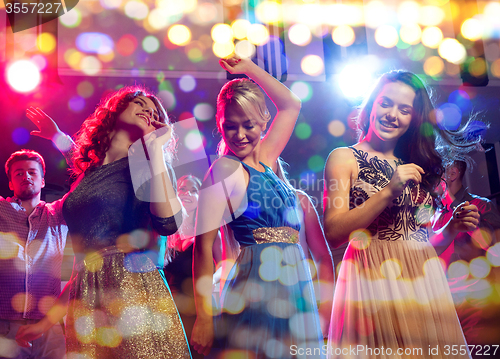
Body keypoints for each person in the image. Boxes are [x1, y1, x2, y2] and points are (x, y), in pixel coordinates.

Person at [15, 86, 191, 358]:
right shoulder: (88, 176)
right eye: (140, 103)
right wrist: (45, 323)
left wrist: (154, 148)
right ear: (116, 109)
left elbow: (168, 223)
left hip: (132, 290)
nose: (148, 111)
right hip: (86, 297)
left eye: (155, 112)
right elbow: (84, 264)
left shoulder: (148, 164)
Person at [323, 70, 481, 359]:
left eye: (404, 109)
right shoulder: (343, 158)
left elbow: (423, 242)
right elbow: (333, 234)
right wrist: (388, 191)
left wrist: (451, 228)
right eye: (385, 103)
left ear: (414, 119)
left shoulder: (417, 164)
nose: (392, 114)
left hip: (423, 281)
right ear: (371, 105)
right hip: (372, 278)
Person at [190, 56, 325, 359]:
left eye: (248, 125)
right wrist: (204, 315)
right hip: (257, 282)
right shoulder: (223, 170)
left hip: (294, 279)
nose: (239, 135)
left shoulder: (266, 158)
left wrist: (249, 68)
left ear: (264, 121)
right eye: (230, 126)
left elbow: (291, 104)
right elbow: (203, 249)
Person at [0, 150, 68, 359]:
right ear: (10, 183)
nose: (26, 176)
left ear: (43, 181)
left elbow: (89, 173)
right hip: (5, 327)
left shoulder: (59, 212)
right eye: (18, 173)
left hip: (49, 327)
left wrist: (58, 138)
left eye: (32, 172)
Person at [433, 160, 500, 343]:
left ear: (452, 174)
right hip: (445, 308)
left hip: (477, 308)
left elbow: (493, 247)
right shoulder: (434, 215)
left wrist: (451, 201)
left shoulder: (481, 205)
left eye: (435, 172)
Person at [161, 174, 221, 359]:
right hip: (168, 308)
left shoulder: (209, 232)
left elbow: (224, 266)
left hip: (197, 306)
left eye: (193, 190)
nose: (187, 193)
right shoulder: (166, 233)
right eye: (182, 189)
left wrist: (210, 282)